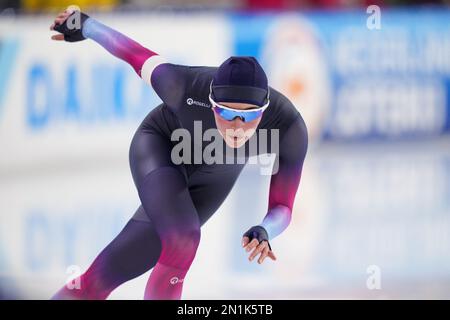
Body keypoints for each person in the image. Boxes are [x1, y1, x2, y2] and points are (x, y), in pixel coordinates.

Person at [50, 7, 308, 300]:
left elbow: (283, 208)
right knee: (183, 239)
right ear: (211, 104)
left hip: (216, 173)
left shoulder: (288, 127)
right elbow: (136, 55)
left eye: (249, 117)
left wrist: (264, 230)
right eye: (226, 113)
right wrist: (86, 25)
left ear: (265, 111)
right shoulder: (182, 86)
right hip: (161, 148)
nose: (237, 127)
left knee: (106, 275)